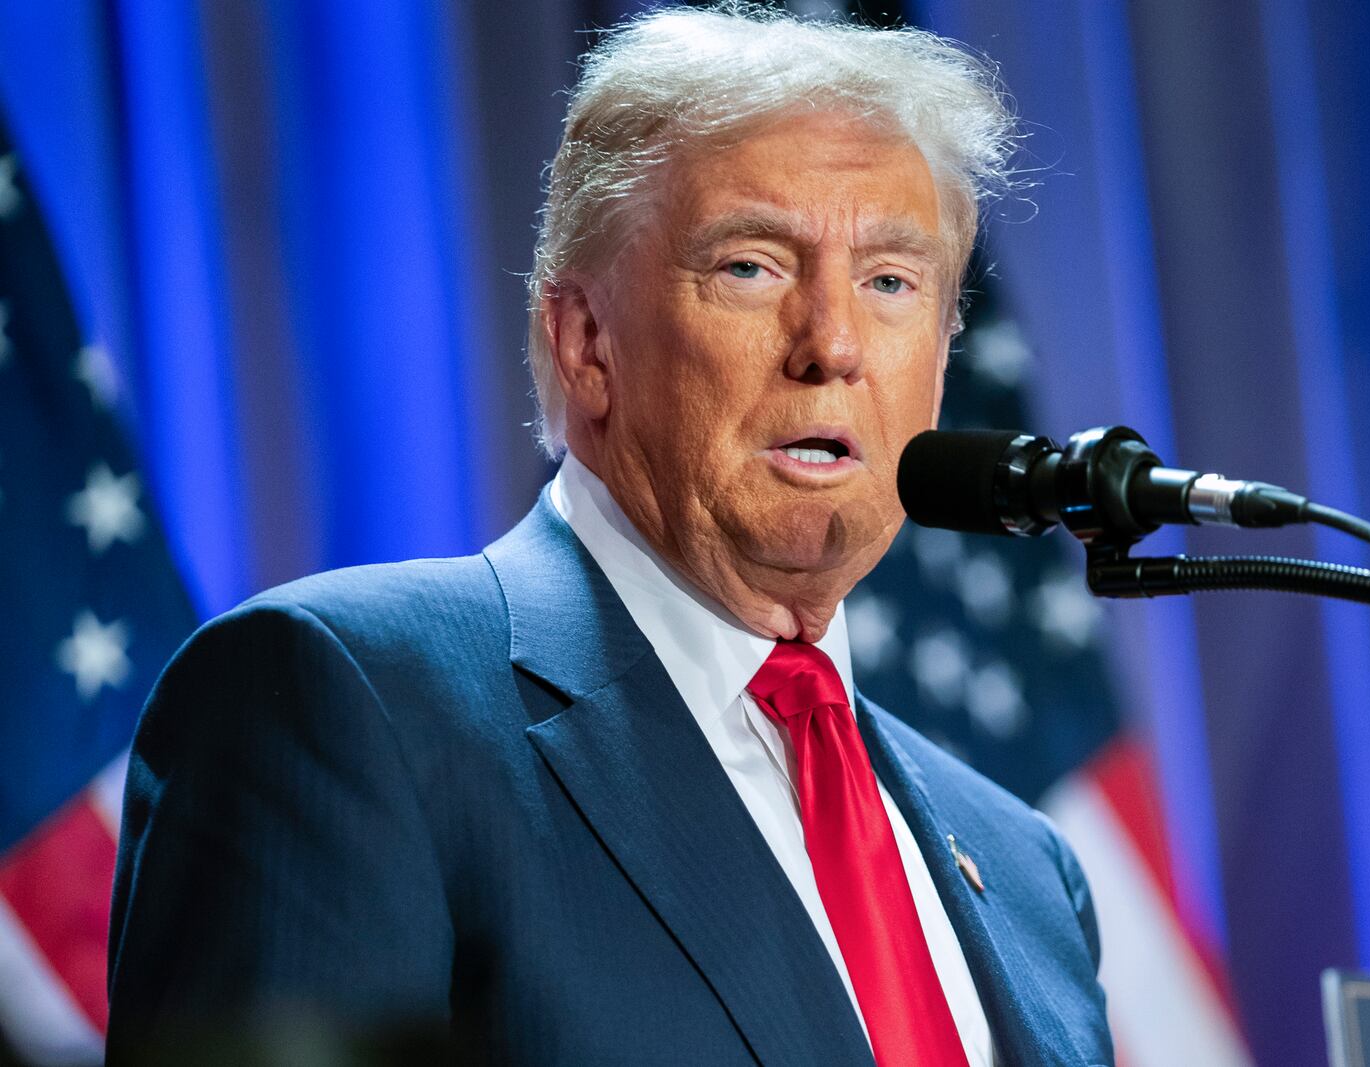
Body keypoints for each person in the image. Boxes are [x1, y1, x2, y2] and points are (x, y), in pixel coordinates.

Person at [106, 7, 1113, 1065]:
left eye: (891, 282)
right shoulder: (344, 704)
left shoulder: (1028, 871)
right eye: (752, 266)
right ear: (585, 342)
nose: (833, 342)